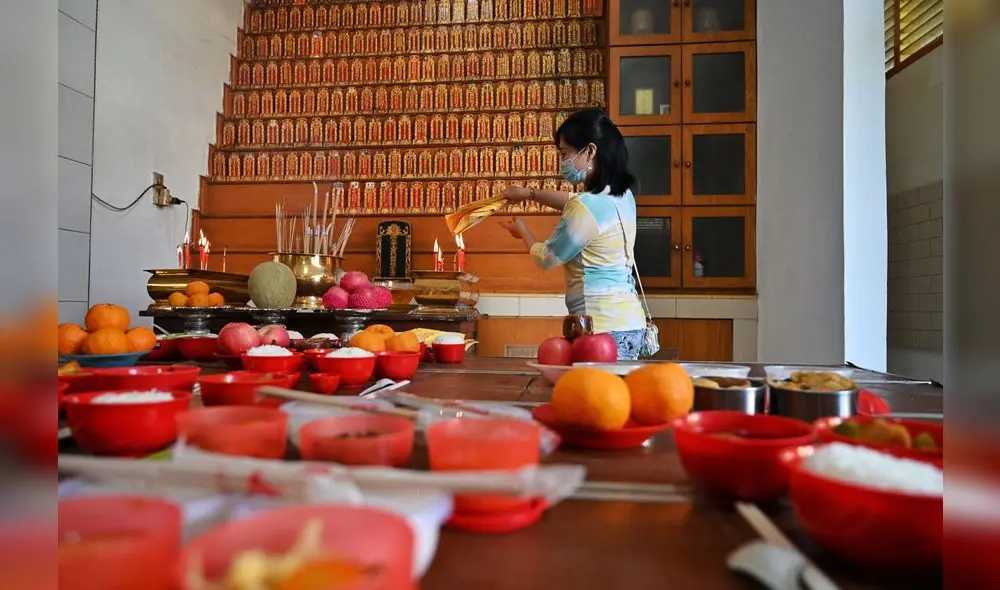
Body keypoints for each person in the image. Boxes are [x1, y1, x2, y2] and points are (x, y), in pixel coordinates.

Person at [499, 108, 649, 360]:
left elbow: (547, 258)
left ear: (589, 151)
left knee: (590, 386)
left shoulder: (585, 208)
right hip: (631, 324)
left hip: (600, 327)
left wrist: (523, 231)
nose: (562, 162)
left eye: (564, 154)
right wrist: (529, 194)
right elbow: (573, 200)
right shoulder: (623, 196)